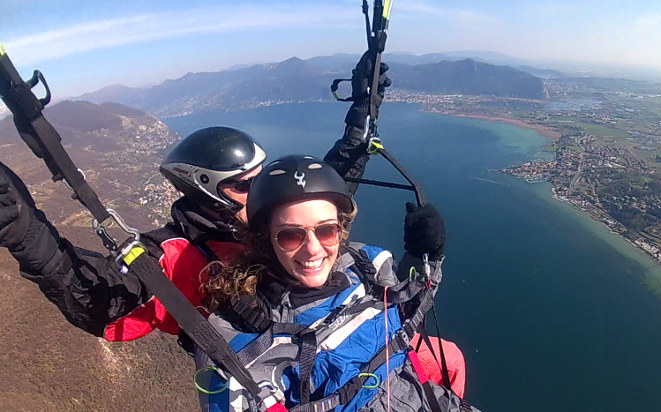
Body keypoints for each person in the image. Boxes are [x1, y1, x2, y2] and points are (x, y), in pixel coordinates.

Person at [0, 52, 465, 395]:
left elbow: (315, 196)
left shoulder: (259, 220)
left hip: (335, 339)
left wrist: (361, 114)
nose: (263, 191)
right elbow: (97, 302)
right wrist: (25, 231)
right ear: (207, 191)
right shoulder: (179, 256)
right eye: (246, 185)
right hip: (284, 374)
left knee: (450, 361)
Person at [194, 154, 476, 412]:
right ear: (265, 239)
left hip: (426, 397)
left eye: (327, 230)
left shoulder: (366, 265)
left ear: (340, 229)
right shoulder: (241, 337)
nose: (313, 249)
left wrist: (424, 258)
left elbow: (404, 311)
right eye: (291, 236)